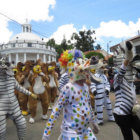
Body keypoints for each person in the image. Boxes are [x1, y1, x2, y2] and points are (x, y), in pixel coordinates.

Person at [42, 55, 99, 140]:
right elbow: (56, 111)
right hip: (71, 132)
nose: (88, 74)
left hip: (86, 131)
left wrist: (94, 123)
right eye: (86, 71)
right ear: (79, 72)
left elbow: (89, 107)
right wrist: (46, 135)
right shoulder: (68, 88)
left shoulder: (86, 87)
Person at [0, 54, 37, 140]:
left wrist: (30, 94)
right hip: (1, 108)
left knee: (22, 124)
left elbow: (19, 87)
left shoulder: (11, 78)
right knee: (1, 130)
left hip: (14, 107)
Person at [113, 41, 140, 140]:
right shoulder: (118, 77)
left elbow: (131, 94)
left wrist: (135, 103)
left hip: (131, 113)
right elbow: (122, 70)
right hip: (121, 114)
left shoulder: (131, 80)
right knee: (129, 138)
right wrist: (128, 56)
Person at [90, 57, 115, 125]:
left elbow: (107, 83)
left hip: (105, 94)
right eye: (101, 67)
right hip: (98, 94)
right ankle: (99, 120)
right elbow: (92, 84)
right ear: (98, 68)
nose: (103, 69)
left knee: (109, 105)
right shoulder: (94, 76)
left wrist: (107, 89)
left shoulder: (104, 76)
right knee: (99, 106)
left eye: (103, 68)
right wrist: (94, 90)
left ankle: (111, 117)